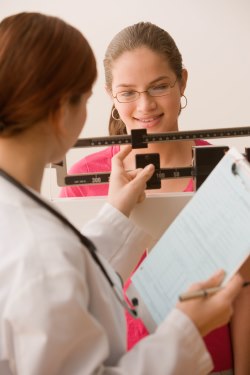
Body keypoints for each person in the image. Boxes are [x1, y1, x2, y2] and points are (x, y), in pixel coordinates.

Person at [0, 12, 244, 375]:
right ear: (60, 113)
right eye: (85, 99)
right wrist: (186, 332)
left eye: (158, 86)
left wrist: (116, 214)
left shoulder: (20, 217)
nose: (143, 106)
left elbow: (75, 267)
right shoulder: (41, 249)